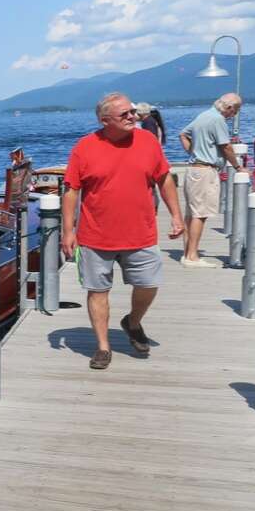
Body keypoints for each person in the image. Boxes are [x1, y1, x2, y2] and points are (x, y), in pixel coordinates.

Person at [62, 92, 184, 370]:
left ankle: (133, 321)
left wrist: (177, 215)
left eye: (132, 111)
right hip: (96, 236)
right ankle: (103, 347)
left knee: (149, 284)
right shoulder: (84, 147)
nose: (133, 116)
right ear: (106, 121)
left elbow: (164, 178)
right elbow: (71, 191)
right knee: (97, 291)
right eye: (125, 114)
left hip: (141, 232)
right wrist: (68, 231)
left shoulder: (147, 140)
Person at [178, 93, 243, 266]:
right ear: (229, 108)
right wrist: (238, 166)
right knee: (200, 214)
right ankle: (192, 256)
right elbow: (226, 146)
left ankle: (187, 253)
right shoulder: (217, 120)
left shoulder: (204, 115)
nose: (234, 115)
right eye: (235, 111)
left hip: (193, 169)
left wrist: (193, 152)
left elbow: (183, 134)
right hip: (205, 170)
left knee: (191, 213)